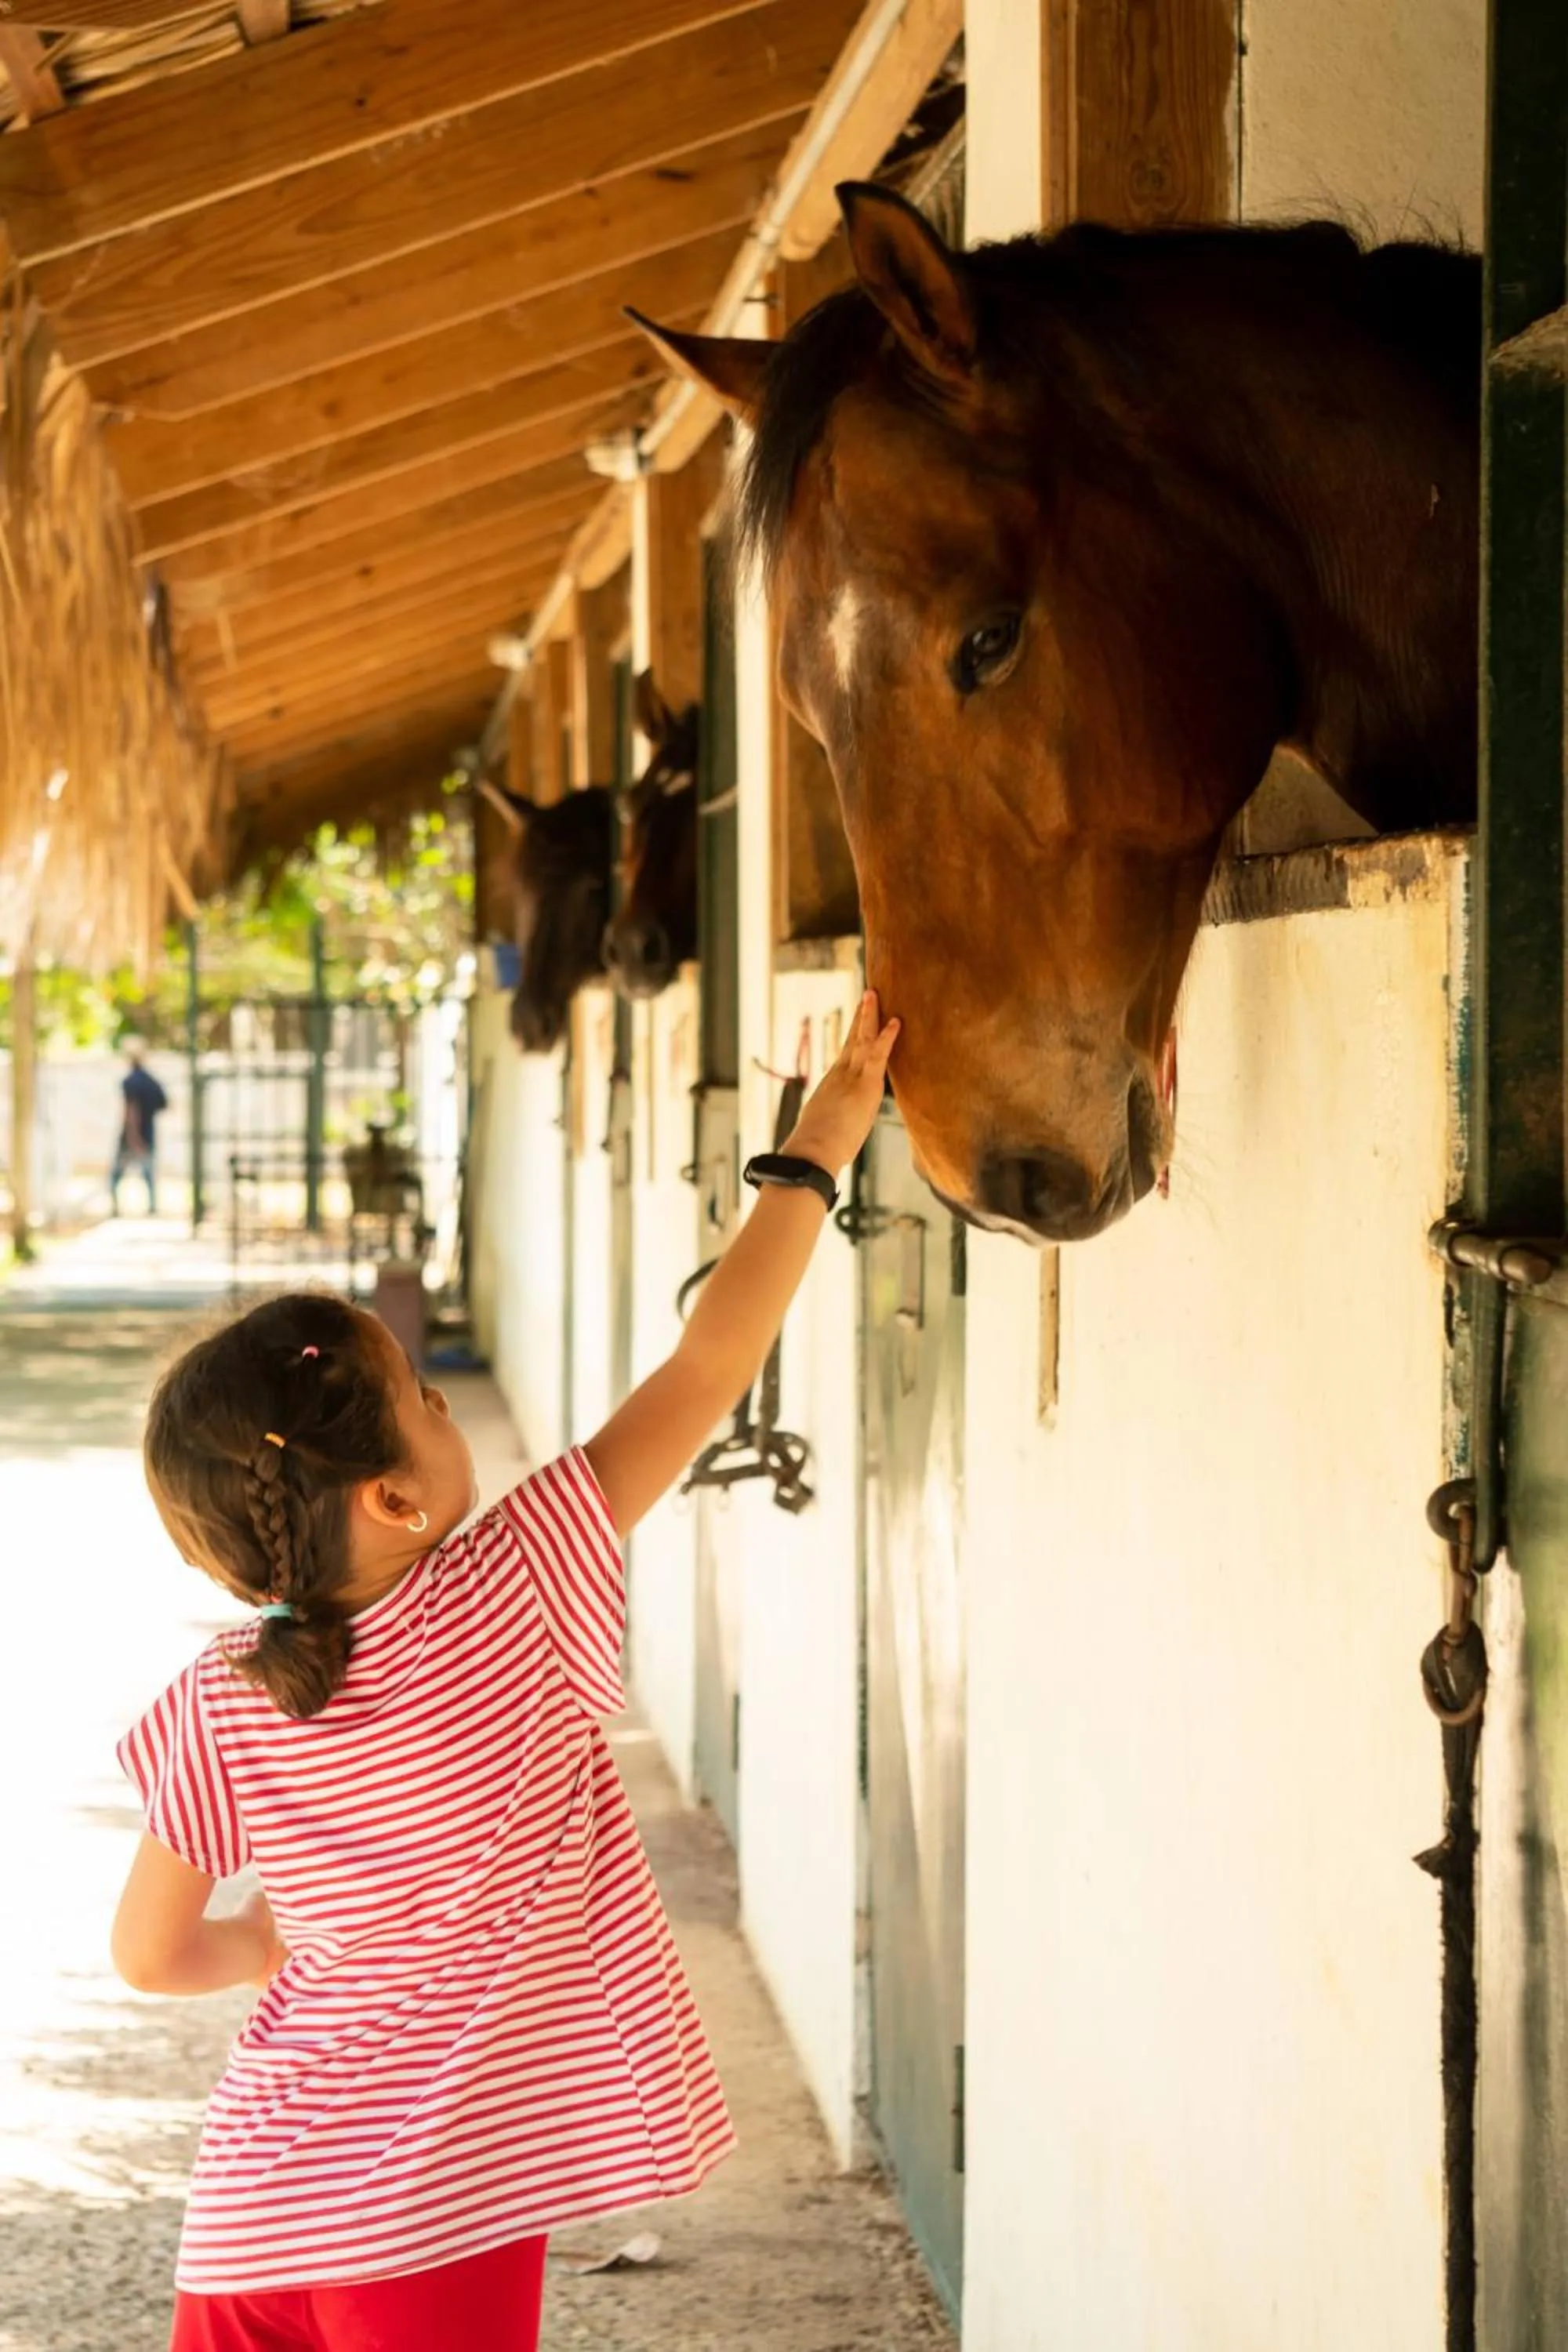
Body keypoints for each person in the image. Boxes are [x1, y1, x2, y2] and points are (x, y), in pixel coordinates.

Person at [111, 993, 899, 2352]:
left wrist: (277, 1943)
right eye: (423, 1395)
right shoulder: (518, 1585)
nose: (443, 1404)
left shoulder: (222, 1698)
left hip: (250, 2212)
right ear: (398, 1504)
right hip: (430, 2221)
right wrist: (820, 1138)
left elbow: (150, 1951)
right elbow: (713, 1363)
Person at [111, 1040, 169, 1217]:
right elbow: (164, 1104)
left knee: (117, 1175)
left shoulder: (130, 1082)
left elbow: (131, 1111)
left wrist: (133, 1136)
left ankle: (115, 1208)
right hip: (148, 1132)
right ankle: (152, 1208)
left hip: (132, 1135)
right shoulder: (152, 1082)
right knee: (148, 1174)